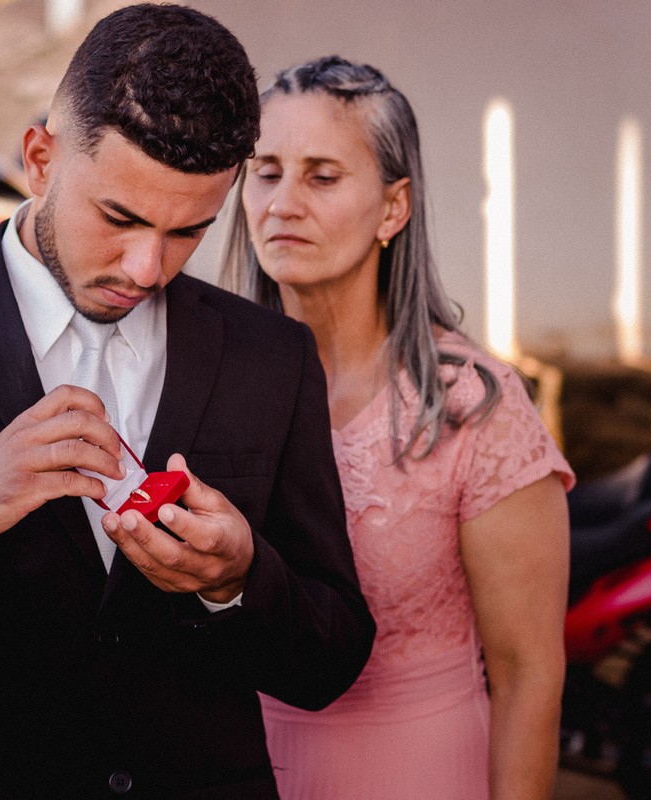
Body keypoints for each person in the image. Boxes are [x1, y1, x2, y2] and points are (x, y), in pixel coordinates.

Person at [0, 9, 375, 799]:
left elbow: (331, 658)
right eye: (119, 217)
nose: (147, 267)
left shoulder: (270, 356)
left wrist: (239, 576)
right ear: (40, 158)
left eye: (189, 232)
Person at [221, 56, 574, 800]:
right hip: (235, 769)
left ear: (393, 207)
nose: (283, 203)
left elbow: (528, 674)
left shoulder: (472, 405)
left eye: (322, 176)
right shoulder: (210, 384)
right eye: (266, 171)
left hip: (417, 771)